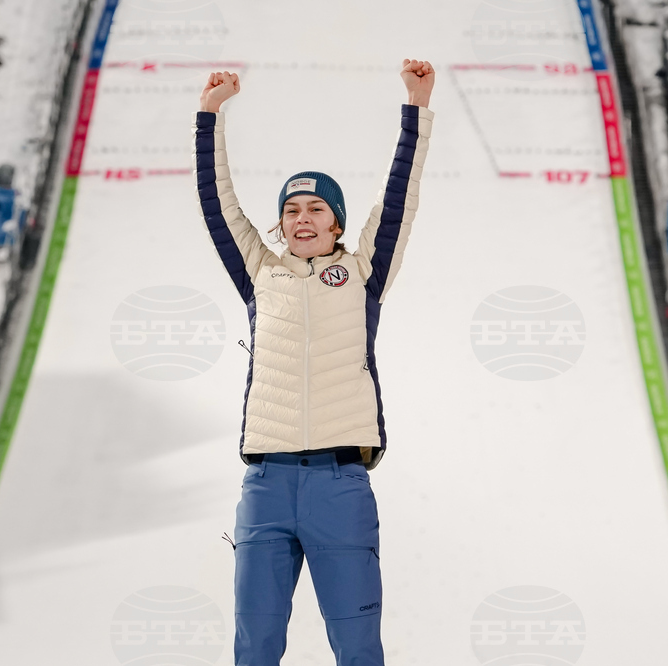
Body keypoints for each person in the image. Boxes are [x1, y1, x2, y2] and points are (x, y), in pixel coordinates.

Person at [192, 60, 435, 665]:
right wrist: (209, 116)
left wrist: (416, 107)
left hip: (340, 484)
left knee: (357, 646)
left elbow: (400, 197)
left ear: (337, 224)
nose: (303, 218)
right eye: (293, 210)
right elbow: (216, 201)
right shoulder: (260, 272)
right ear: (281, 224)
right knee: (255, 645)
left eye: (316, 209)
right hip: (267, 485)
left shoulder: (361, 273)